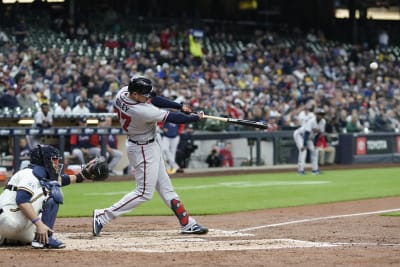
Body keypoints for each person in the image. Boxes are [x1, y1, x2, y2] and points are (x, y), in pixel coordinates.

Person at [92, 76, 208, 236]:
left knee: (166, 188)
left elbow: (155, 98)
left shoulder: (122, 92)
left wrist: (179, 106)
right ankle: (103, 216)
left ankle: (187, 223)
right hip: (142, 149)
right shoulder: (142, 111)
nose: (147, 97)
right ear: (134, 94)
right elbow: (172, 118)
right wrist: (194, 118)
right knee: (144, 193)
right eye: (144, 95)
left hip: (146, 145)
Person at [0, 144, 94, 249]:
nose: (57, 163)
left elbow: (62, 180)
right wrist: (39, 224)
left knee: (51, 186)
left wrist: (84, 174)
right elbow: (22, 200)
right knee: (54, 191)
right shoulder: (29, 174)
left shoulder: (39, 175)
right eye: (54, 159)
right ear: (45, 161)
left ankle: (10, 238)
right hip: (8, 219)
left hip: (11, 225)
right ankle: (44, 240)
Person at [293, 108, 326, 175]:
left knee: (314, 151)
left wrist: (315, 144)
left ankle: (315, 170)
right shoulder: (312, 121)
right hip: (300, 135)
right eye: (319, 114)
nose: (321, 116)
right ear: (316, 115)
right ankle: (300, 171)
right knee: (303, 151)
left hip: (309, 137)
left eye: (322, 114)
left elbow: (318, 134)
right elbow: (306, 133)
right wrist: (304, 145)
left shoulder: (323, 122)